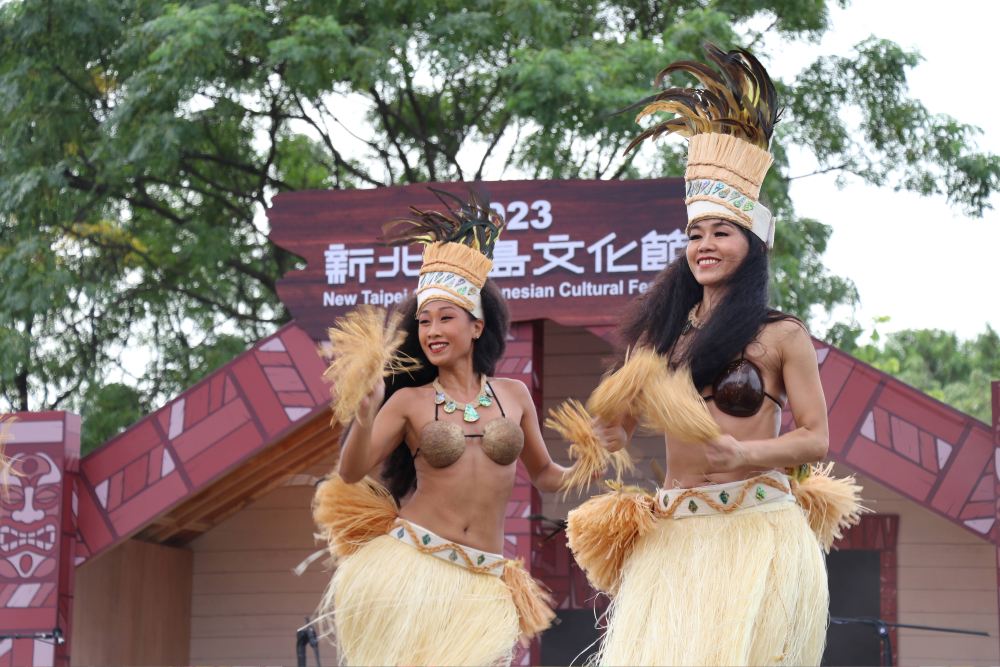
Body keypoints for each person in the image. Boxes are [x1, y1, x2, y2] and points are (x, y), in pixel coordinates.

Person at [566, 43, 864, 666]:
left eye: (721, 231)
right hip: (675, 536)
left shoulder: (781, 335)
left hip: (757, 533)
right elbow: (617, 432)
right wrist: (607, 432)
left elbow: (815, 439)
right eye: (695, 233)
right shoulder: (660, 339)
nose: (705, 244)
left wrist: (746, 452)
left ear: (751, 244)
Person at [313, 187, 591, 666]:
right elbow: (353, 470)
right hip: (413, 563)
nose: (433, 331)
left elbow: (546, 475)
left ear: (477, 326)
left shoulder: (513, 395)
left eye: (446, 318)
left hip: (483, 577)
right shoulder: (408, 401)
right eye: (424, 322)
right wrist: (364, 418)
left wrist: (589, 461)